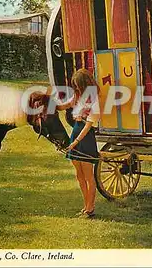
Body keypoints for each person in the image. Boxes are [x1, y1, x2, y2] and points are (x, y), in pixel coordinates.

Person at [57, 69, 100, 219]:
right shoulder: (77, 97)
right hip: (76, 131)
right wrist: (50, 104)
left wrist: (75, 142)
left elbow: (88, 126)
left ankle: (90, 208)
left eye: (78, 85)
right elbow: (64, 106)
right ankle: (85, 205)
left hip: (85, 137)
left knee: (88, 175)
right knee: (79, 175)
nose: (76, 89)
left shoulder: (94, 101)